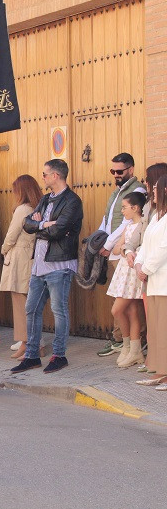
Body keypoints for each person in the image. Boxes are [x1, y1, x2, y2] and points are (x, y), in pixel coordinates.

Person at [12, 159, 83, 374]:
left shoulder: (72, 201)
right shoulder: (45, 199)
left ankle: (59, 355)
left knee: (58, 310)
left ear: (55, 176)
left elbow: (59, 231)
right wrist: (43, 224)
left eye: (45, 174)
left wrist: (40, 226)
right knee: (31, 309)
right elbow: (26, 224)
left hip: (59, 265)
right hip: (40, 265)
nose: (42, 177)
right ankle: (32, 355)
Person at [96, 153, 148, 358]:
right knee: (124, 303)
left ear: (131, 170)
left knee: (127, 304)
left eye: (120, 171)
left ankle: (130, 341)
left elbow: (127, 225)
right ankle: (124, 342)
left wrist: (110, 245)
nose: (116, 175)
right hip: (117, 253)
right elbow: (107, 218)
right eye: (113, 171)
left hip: (125, 256)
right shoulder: (117, 192)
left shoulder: (136, 190)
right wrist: (101, 238)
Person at [0, 175, 42, 359]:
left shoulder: (22, 209)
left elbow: (12, 235)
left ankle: (28, 343)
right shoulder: (37, 207)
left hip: (18, 258)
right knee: (30, 303)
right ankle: (30, 342)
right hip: (31, 257)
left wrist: (3, 249)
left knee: (21, 303)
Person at [107, 192, 147, 368]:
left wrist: (128, 250)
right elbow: (116, 249)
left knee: (117, 310)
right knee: (131, 311)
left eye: (124, 207)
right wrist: (125, 250)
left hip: (133, 273)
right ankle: (132, 349)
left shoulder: (143, 226)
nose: (122, 211)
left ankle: (129, 346)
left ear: (135, 208)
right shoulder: (128, 227)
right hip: (124, 273)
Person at [134, 175, 167, 389]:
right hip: (153, 281)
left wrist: (145, 268)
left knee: (164, 327)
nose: (152, 191)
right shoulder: (156, 216)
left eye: (155, 188)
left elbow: (163, 248)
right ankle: (159, 370)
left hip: (163, 280)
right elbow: (145, 246)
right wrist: (138, 263)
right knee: (155, 328)